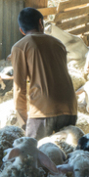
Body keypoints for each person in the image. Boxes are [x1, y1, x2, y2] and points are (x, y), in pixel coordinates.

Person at [11, 7, 78, 140]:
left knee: (35, 153)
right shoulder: (59, 44)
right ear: (41, 23)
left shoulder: (20, 47)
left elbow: (19, 87)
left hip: (43, 110)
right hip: (70, 107)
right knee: (66, 154)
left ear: (21, 30)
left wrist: (24, 120)